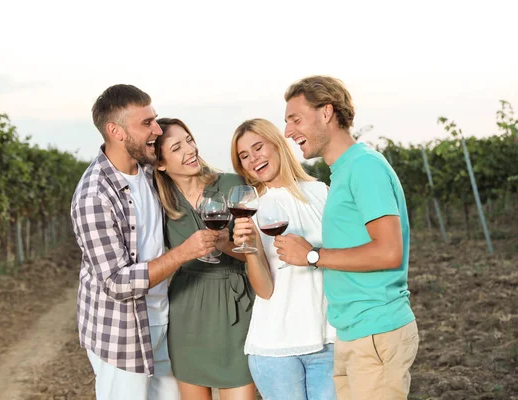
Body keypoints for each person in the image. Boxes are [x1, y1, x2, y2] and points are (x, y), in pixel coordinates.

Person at [70, 84, 219, 400]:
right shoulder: (94, 196)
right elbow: (116, 282)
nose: (158, 129)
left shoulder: (150, 172)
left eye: (155, 119)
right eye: (146, 123)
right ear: (116, 131)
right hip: (122, 332)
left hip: (163, 317)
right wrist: (184, 253)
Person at [276, 75, 419, 400]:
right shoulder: (342, 171)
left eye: (295, 119)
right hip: (353, 333)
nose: (287, 131)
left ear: (326, 112)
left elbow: (388, 252)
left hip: (376, 332)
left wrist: (312, 255)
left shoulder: (364, 167)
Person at [230, 118, 337, 400]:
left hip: (328, 340)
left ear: (277, 144)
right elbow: (265, 290)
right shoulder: (250, 210)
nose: (253, 159)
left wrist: (310, 256)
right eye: (244, 156)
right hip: (274, 347)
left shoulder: (322, 193)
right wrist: (251, 250)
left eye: (258, 147)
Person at [153, 117, 256, 400]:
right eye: (177, 147)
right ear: (160, 164)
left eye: (189, 140)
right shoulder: (160, 203)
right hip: (186, 311)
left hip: (235, 309)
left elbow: (257, 255)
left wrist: (226, 245)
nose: (190, 149)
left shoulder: (233, 185)